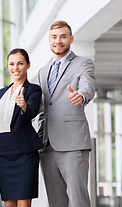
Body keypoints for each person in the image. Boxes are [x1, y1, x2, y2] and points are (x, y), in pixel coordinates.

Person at [38, 20, 95, 207]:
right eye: (54, 37)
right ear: (49, 40)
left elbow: (88, 85)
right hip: (47, 146)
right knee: (56, 202)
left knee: (79, 200)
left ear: (71, 39)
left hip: (73, 144)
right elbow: (44, 107)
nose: (58, 41)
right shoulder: (43, 71)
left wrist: (81, 95)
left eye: (63, 36)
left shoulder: (82, 63)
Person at [0, 48, 43, 207]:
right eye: (12, 64)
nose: (16, 67)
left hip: (24, 152)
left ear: (28, 65)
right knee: (8, 203)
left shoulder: (33, 89)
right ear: (7, 66)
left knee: (24, 203)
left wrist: (24, 106)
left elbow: (32, 109)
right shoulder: (2, 92)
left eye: (20, 63)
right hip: (4, 151)